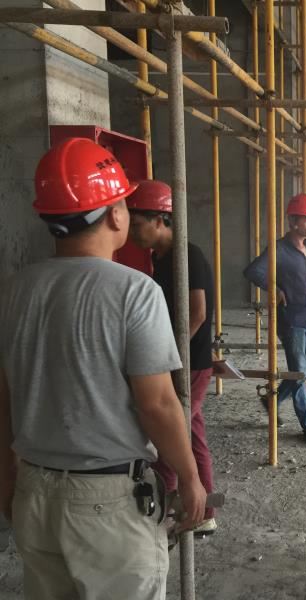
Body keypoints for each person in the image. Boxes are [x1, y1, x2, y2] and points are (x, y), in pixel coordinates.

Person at [0, 138, 206, 600]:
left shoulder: (15, 290)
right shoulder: (135, 291)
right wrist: (190, 478)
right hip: (107, 505)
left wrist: (7, 478)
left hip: (35, 491)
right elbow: (157, 404)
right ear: (115, 214)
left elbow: (5, 394)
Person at [127, 179, 218, 536]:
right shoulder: (161, 257)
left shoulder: (187, 255)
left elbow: (197, 313)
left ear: (160, 219)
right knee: (192, 436)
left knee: (169, 436)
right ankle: (204, 512)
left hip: (190, 363)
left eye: (138, 224)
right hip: (182, 361)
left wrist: (168, 357)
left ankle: (165, 511)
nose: (133, 232)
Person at [244, 193, 306, 443]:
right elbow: (253, 271)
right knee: (299, 372)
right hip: (291, 322)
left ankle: (273, 400)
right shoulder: (278, 249)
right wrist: (275, 288)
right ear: (292, 221)